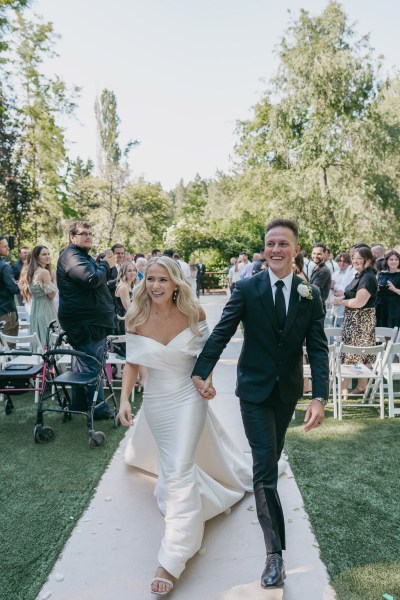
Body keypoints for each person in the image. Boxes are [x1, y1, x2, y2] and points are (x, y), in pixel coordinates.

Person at [192, 218, 329, 590]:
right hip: (252, 391)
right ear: (264, 248)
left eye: (284, 244)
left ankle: (269, 528)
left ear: (295, 249)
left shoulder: (308, 293)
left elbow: (317, 346)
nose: (276, 250)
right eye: (271, 243)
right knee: (265, 467)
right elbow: (222, 330)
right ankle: (275, 555)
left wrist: (319, 396)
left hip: (286, 394)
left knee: (269, 459)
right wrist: (201, 371)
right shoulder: (247, 288)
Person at [118, 256, 252, 596]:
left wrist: (206, 382)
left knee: (177, 470)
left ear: (176, 282)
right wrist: (123, 400)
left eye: (163, 279)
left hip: (190, 398)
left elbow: (204, 356)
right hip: (158, 402)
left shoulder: (195, 314)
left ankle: (173, 557)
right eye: (150, 279)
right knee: (176, 470)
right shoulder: (136, 317)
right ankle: (201, 501)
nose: (156, 286)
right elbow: (132, 364)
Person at [57, 221, 117, 418]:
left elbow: (96, 281)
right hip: (85, 323)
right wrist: (105, 264)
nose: (88, 236)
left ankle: (80, 404)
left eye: (90, 233)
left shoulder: (81, 255)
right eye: (83, 233)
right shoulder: (72, 255)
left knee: (83, 364)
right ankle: (98, 409)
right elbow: (91, 279)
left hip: (88, 321)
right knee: (92, 364)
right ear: (73, 238)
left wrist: (101, 263)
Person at [332, 246, 378, 395]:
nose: (356, 261)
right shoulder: (359, 275)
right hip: (354, 320)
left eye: (360, 258)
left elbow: (359, 302)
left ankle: (345, 388)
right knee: (356, 355)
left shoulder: (368, 277)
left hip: (361, 322)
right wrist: (342, 295)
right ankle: (359, 387)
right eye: (354, 258)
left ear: (368, 260)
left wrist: (341, 302)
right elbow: (350, 294)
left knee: (355, 354)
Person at [26, 245, 58, 347]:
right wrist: (54, 279)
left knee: (40, 340)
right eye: (44, 254)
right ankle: (50, 362)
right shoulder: (44, 272)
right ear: (37, 257)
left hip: (36, 309)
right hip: (46, 310)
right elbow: (52, 295)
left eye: (48, 254)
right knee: (49, 340)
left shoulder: (31, 271)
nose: (48, 256)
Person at [0, 236, 19, 344]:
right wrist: (20, 285)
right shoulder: (4, 267)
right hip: (6, 312)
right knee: (9, 351)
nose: (8, 248)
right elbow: (13, 289)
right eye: (4, 246)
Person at [376, 250, 400, 328]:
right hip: (381, 305)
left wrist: (395, 289)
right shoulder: (381, 274)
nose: (394, 261)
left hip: (395, 307)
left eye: (396, 259)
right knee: (380, 330)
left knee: (393, 330)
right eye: (391, 259)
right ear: (387, 261)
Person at [331, 253, 352, 326]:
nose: (342, 263)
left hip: (344, 305)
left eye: (344, 261)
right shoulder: (335, 274)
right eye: (340, 261)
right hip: (334, 304)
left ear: (349, 263)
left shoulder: (350, 274)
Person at [310, 243, 331, 312]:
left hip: (317, 309)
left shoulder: (324, 271)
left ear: (324, 254)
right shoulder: (316, 268)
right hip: (313, 306)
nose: (315, 256)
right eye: (314, 253)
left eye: (319, 254)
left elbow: (312, 290)